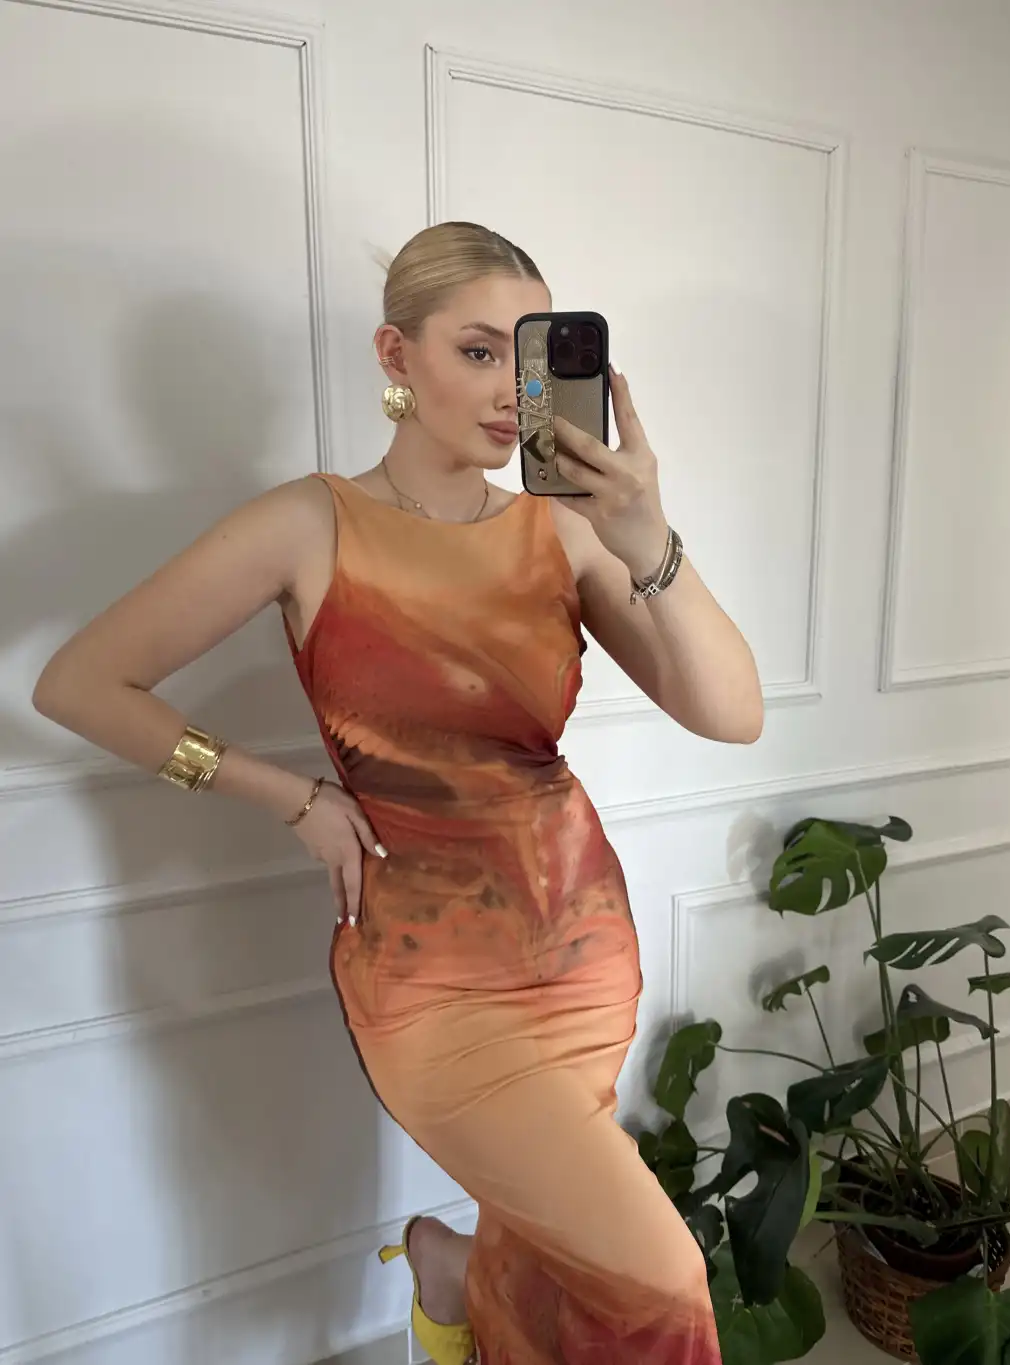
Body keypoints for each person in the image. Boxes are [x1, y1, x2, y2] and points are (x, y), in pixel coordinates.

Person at [33, 221, 763, 1365]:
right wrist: (290, 798)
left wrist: (646, 535)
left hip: (581, 947)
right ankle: (462, 1275)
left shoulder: (563, 533)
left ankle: (460, 1279)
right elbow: (79, 683)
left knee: (555, 1233)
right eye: (475, 352)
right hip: (429, 977)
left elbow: (731, 713)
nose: (509, 390)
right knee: (661, 1287)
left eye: (528, 356)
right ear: (395, 354)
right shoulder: (307, 523)